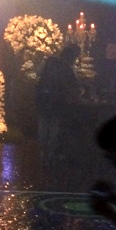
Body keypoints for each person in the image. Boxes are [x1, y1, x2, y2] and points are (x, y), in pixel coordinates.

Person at [35, 43, 81, 173]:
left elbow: (38, 73)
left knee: (43, 124)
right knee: (54, 127)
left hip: (43, 98)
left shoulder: (49, 61)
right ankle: (50, 154)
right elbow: (74, 88)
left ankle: (42, 152)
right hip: (57, 102)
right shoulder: (68, 70)